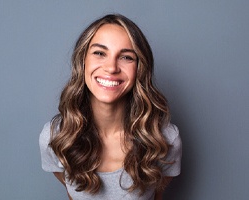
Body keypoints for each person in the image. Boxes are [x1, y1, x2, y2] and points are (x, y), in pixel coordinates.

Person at [39, 14, 182, 200]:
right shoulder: (56, 137)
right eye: (99, 53)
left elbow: (158, 195)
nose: (111, 67)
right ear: (83, 61)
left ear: (140, 68)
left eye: (126, 57)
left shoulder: (164, 140)